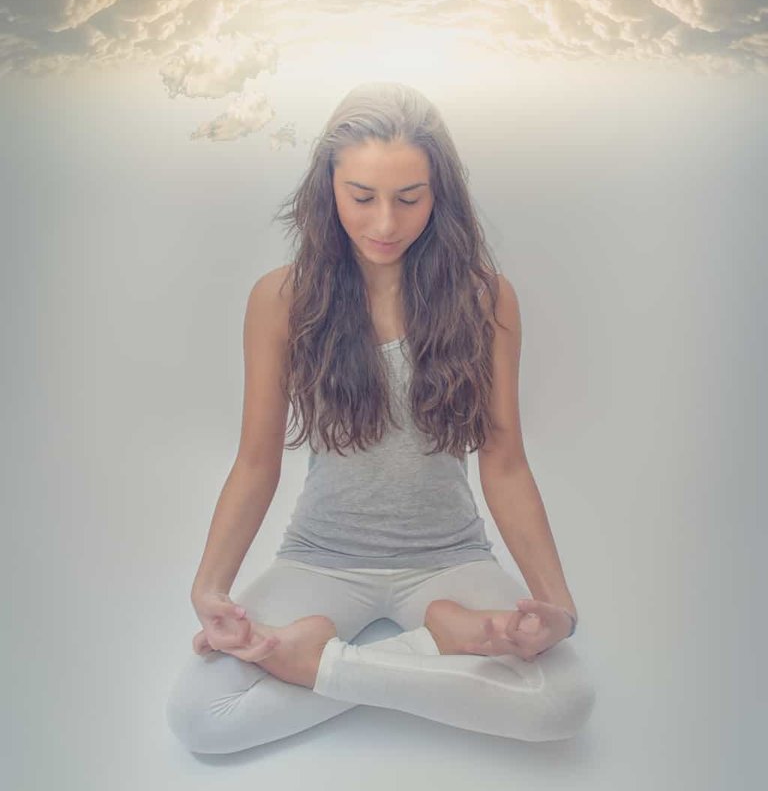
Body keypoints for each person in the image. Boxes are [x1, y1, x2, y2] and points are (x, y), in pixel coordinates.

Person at [166, 81, 596, 754]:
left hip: (448, 558)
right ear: (328, 188)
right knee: (200, 715)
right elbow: (256, 460)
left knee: (568, 700)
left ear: (439, 193)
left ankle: (323, 662)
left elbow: (505, 462)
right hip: (322, 557)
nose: (385, 224)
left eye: (409, 197)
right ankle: (434, 649)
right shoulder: (280, 298)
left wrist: (559, 606)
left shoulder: (487, 298)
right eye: (361, 197)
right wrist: (209, 588)